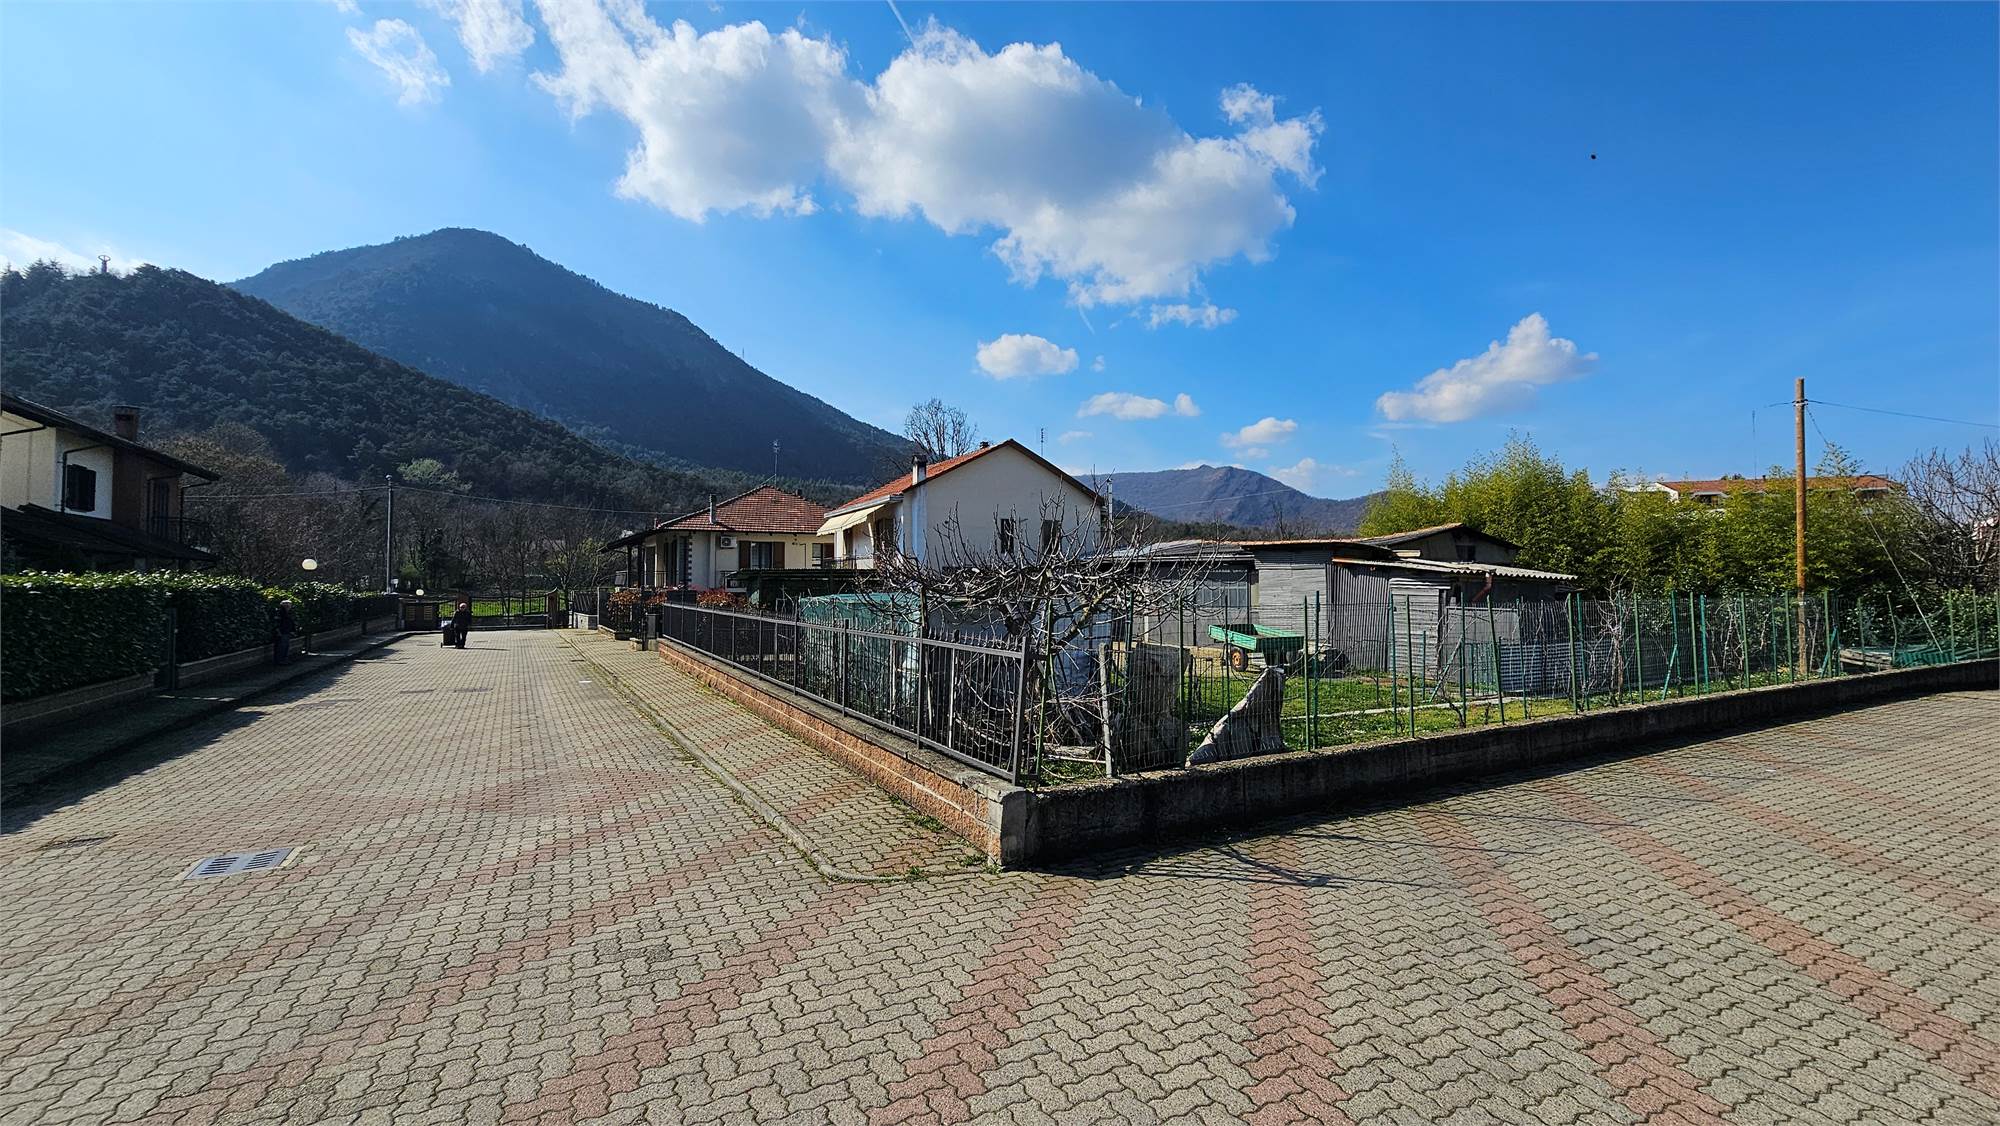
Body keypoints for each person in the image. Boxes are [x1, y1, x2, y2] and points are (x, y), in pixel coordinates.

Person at [274, 599, 297, 666]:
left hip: (286, 632)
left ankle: (284, 659)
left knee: (285, 646)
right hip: (282, 632)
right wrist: (278, 631)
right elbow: (277, 622)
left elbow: (291, 622)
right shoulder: (280, 613)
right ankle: (280, 660)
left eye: (289, 605)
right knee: (282, 647)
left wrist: (292, 630)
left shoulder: (288, 613)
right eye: (287, 605)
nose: (289, 607)